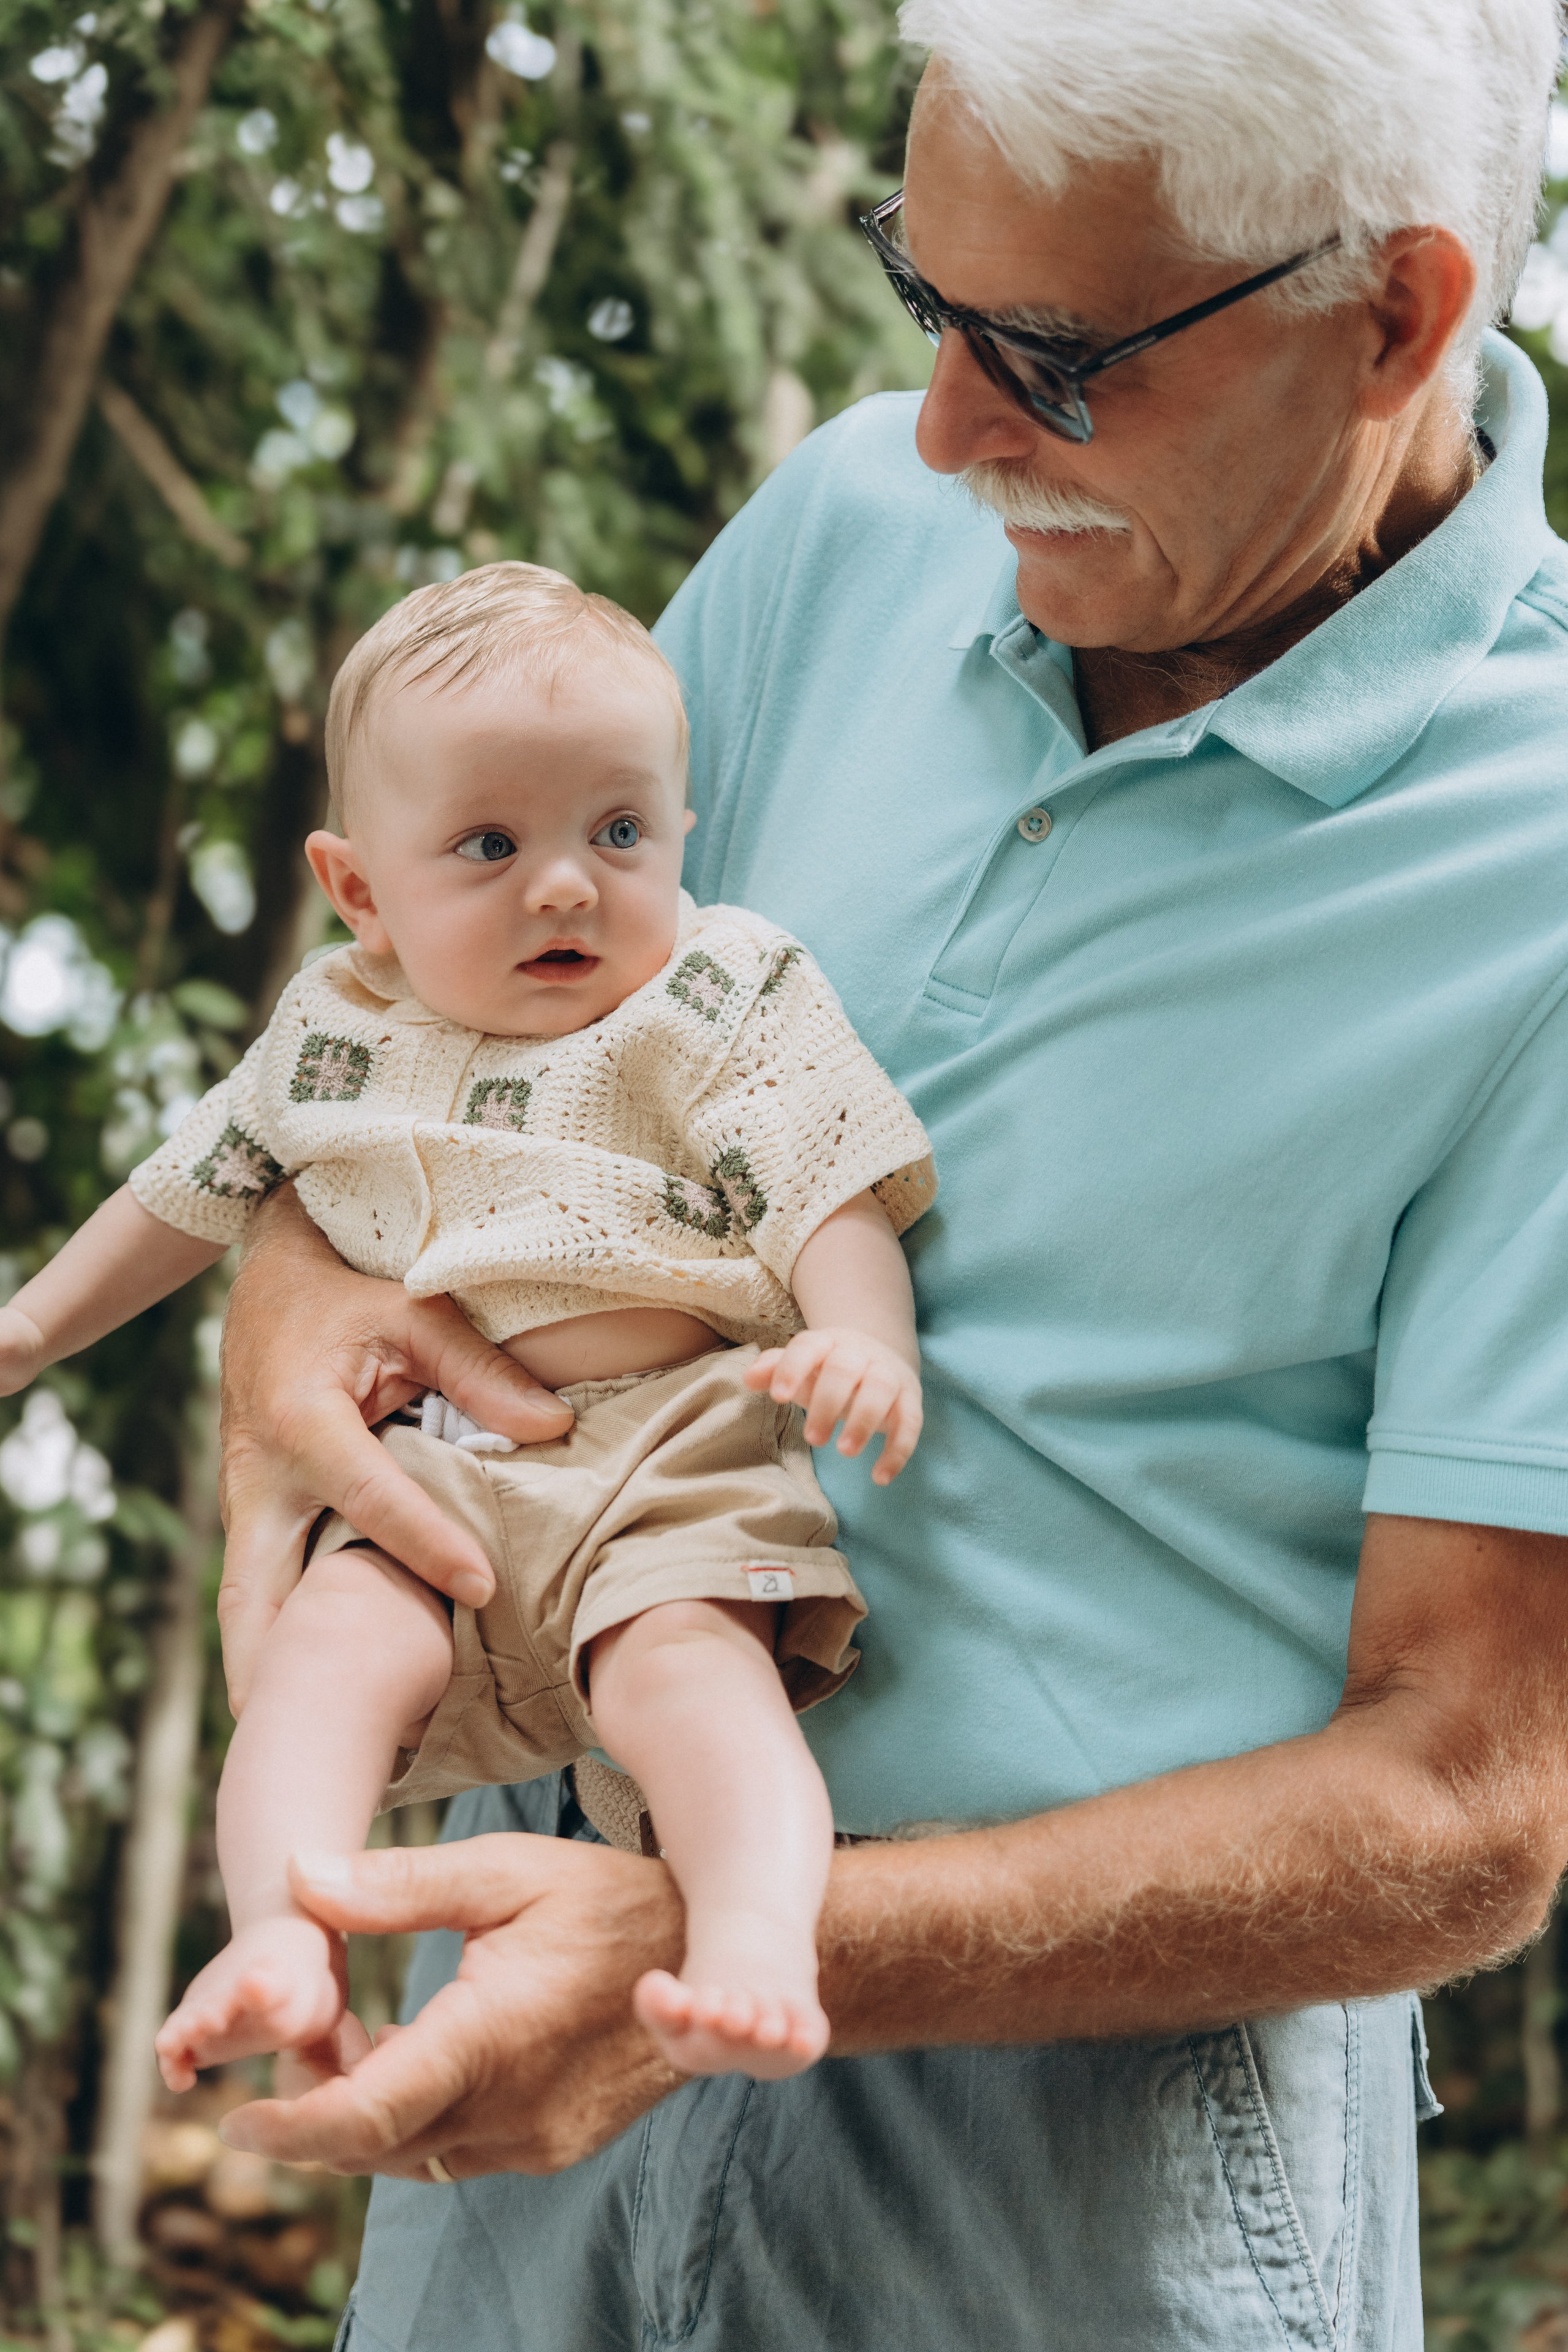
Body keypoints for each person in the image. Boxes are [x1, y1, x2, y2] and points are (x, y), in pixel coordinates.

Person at [203, 0, 1568, 2343]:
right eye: (925, 303)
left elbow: (1473, 1801)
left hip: (1073, 2142)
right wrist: (297, 1278)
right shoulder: (855, 516)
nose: (940, 432)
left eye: (1049, 357)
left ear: (1400, 314)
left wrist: (739, 1942)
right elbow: (459, 1021)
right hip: (535, 1931)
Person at [0, 565, 933, 2086]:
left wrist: (860, 1339)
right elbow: (190, 1189)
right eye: (489, 846)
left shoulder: (712, 991)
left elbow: (824, 1179)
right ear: (359, 888)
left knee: (693, 1666)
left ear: (680, 830)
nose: (565, 886)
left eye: (616, 833)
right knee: (321, 1661)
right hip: (427, 1460)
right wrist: (31, 1326)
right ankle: (283, 1937)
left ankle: (757, 1935)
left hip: (669, 1445)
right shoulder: (334, 1030)